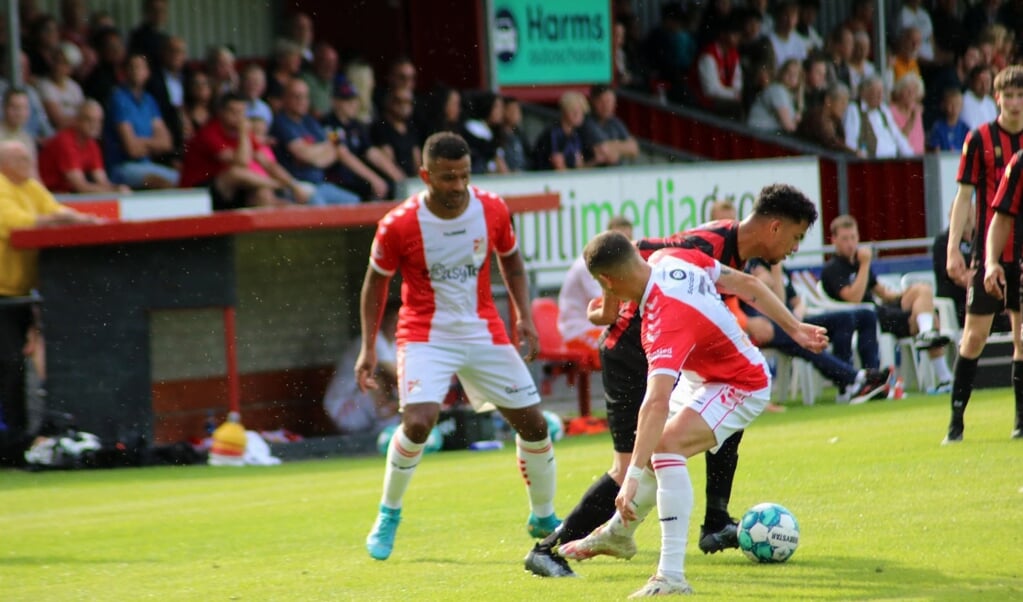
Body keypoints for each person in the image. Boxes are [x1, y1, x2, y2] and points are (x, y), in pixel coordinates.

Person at [526, 184, 819, 577]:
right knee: (631, 463)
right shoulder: (707, 243)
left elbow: (740, 286)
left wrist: (794, 328)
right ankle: (549, 549)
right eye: (797, 237)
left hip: (672, 350)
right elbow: (621, 250)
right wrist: (610, 309)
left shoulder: (731, 253)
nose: (795, 248)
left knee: (720, 420)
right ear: (775, 227)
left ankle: (714, 520)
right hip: (630, 350)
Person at [359, 132, 560, 561]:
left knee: (535, 425)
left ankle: (543, 517)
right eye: (447, 177)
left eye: (464, 176)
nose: (456, 186)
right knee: (418, 422)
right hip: (425, 334)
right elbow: (375, 283)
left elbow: (512, 261)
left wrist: (523, 315)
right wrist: (368, 348)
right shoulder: (399, 224)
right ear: (425, 175)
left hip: (482, 331)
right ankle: (388, 513)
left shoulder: (491, 208)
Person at [0, 140, 101, 464]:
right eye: (21, 158)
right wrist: (68, 220)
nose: (29, 162)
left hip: (20, 293)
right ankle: (11, 443)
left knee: (16, 366)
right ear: (4, 163)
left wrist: (78, 219)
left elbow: (54, 211)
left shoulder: (29, 187)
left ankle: (18, 440)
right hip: (2, 295)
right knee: (9, 366)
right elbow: (20, 226)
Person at [944, 65, 1023, 444]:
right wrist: (953, 248)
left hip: (1021, 253)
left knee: (1022, 338)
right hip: (989, 251)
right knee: (974, 336)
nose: (1015, 102)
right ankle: (956, 422)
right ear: (997, 98)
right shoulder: (980, 139)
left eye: (1020, 95)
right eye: (1009, 95)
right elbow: (963, 197)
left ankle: (1020, 423)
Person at [820, 215, 953, 389]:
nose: (851, 243)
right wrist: (865, 264)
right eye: (845, 239)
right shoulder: (833, 268)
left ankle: (926, 334)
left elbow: (884, 294)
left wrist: (908, 295)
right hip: (866, 319)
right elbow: (854, 298)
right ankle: (945, 377)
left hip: (882, 310)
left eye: (853, 237)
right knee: (929, 319)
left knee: (923, 291)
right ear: (834, 240)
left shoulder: (857, 263)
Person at [743, 258, 891, 404]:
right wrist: (774, 270)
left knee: (858, 317)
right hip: (771, 327)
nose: (793, 249)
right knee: (807, 340)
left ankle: (859, 383)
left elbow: (796, 302)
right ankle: (858, 379)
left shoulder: (779, 267)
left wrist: (797, 313)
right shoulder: (753, 265)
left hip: (792, 321)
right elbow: (778, 303)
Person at [180, 93, 309, 210]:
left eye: (241, 112)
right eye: (233, 112)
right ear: (221, 112)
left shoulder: (245, 134)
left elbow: (268, 164)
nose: (238, 117)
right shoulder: (209, 133)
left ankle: (263, 233)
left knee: (262, 192)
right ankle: (279, 188)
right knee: (235, 173)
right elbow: (241, 164)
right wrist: (243, 133)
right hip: (197, 192)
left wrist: (294, 185)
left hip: (229, 192)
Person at [558, 216, 635, 370]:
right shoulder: (590, 264)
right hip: (577, 331)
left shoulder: (612, 263)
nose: (624, 246)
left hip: (597, 326)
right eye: (621, 239)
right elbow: (609, 305)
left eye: (628, 240)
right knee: (619, 351)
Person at [983, 147, 1023, 440]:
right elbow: (1002, 217)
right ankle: (1021, 421)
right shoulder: (1020, 163)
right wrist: (991, 262)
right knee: (1021, 340)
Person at [271, 78, 360, 205]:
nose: (301, 101)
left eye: (305, 97)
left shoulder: (310, 120)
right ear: (285, 98)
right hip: (298, 186)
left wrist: (313, 154)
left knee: (354, 202)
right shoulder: (281, 123)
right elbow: (303, 155)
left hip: (320, 184)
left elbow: (336, 148)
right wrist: (321, 152)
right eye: (296, 97)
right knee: (319, 207)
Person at [324, 298, 400, 436]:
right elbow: (395, 374)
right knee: (376, 381)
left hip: (364, 407)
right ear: (382, 320)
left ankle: (389, 434)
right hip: (343, 406)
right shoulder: (372, 340)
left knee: (398, 399)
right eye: (392, 320)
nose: (396, 325)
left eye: (400, 320)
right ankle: (381, 436)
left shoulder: (396, 345)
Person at [103, 53, 179, 189]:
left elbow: (167, 143)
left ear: (147, 72)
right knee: (163, 182)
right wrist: (153, 144)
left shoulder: (149, 100)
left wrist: (141, 142)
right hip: (122, 167)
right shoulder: (118, 98)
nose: (135, 71)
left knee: (182, 178)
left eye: (139, 67)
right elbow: (132, 149)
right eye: (131, 67)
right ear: (125, 71)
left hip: (146, 165)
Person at [320, 80, 393, 201]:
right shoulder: (328, 124)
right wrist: (373, 179)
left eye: (354, 99)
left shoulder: (356, 126)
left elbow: (371, 152)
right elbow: (342, 153)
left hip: (357, 181)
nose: (353, 104)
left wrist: (400, 178)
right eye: (347, 100)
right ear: (335, 101)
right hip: (337, 182)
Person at [38, 100, 127, 194]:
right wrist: (114, 191)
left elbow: (102, 181)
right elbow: (81, 186)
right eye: (89, 120)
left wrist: (119, 189)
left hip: (66, 193)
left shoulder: (92, 144)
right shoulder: (65, 142)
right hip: (48, 193)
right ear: (77, 120)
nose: (94, 125)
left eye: (98, 121)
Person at [843, 75, 915, 158]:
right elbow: (850, 141)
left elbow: (897, 135)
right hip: (870, 163)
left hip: (892, 160)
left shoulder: (883, 109)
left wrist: (911, 157)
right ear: (864, 93)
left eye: (882, 92)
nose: (880, 96)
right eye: (876, 92)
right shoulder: (854, 109)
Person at [582, 85, 639, 168]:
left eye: (609, 101)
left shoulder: (615, 122)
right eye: (602, 102)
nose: (606, 106)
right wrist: (622, 146)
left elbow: (634, 148)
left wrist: (614, 147)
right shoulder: (587, 122)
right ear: (593, 101)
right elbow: (604, 149)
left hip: (614, 174)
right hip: (593, 174)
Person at [370, 87, 422, 179]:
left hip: (411, 181)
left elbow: (417, 160)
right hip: (394, 180)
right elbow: (389, 162)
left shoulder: (411, 128)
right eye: (399, 101)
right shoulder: (381, 127)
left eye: (408, 102)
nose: (404, 106)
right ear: (389, 102)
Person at [533, 91, 587, 171]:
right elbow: (558, 165)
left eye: (581, 111)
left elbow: (579, 163)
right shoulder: (554, 133)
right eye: (573, 111)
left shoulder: (575, 135)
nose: (578, 115)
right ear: (564, 111)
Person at [926, 87, 970, 152]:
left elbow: (969, 151)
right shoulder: (938, 127)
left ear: (962, 106)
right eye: (951, 104)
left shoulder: (965, 128)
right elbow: (936, 151)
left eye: (957, 104)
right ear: (943, 105)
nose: (954, 108)